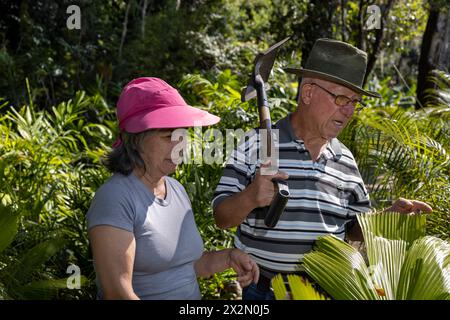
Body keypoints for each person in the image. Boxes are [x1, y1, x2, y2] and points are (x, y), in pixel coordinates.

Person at [212, 38, 432, 300]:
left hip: (326, 292)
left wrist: (388, 217)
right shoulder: (255, 144)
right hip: (264, 292)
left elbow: (353, 227)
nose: (349, 110)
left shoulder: (346, 160)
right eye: (341, 98)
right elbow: (221, 218)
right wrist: (250, 196)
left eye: (355, 101)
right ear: (307, 93)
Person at [87, 77, 259, 300]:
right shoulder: (115, 198)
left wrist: (228, 257)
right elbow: (117, 292)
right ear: (136, 140)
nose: (180, 144)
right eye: (169, 136)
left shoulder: (175, 189)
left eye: (183, 134)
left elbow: (185, 266)